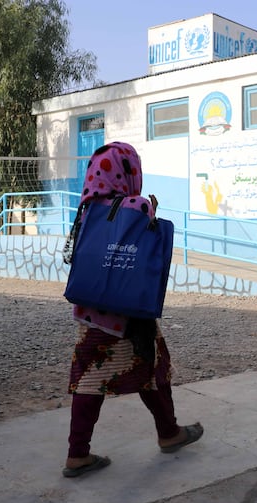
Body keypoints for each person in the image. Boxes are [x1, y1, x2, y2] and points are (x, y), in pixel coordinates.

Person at [62, 142, 202, 478]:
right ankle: (169, 433)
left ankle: (77, 454)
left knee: (91, 378)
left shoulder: (87, 210)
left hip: (90, 312)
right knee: (153, 369)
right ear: (128, 173)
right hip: (128, 314)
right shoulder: (135, 206)